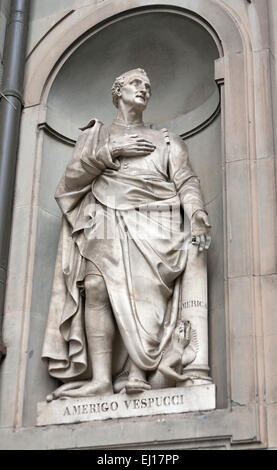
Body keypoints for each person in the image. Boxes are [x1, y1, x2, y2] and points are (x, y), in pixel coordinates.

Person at [42, 68, 211, 400]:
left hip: (156, 220)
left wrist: (197, 212)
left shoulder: (167, 141)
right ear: (117, 91)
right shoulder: (96, 136)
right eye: (136, 83)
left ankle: (138, 372)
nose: (144, 89)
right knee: (95, 286)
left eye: (148, 85)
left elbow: (186, 180)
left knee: (145, 295)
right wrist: (111, 151)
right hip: (104, 214)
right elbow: (70, 183)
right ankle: (102, 379)